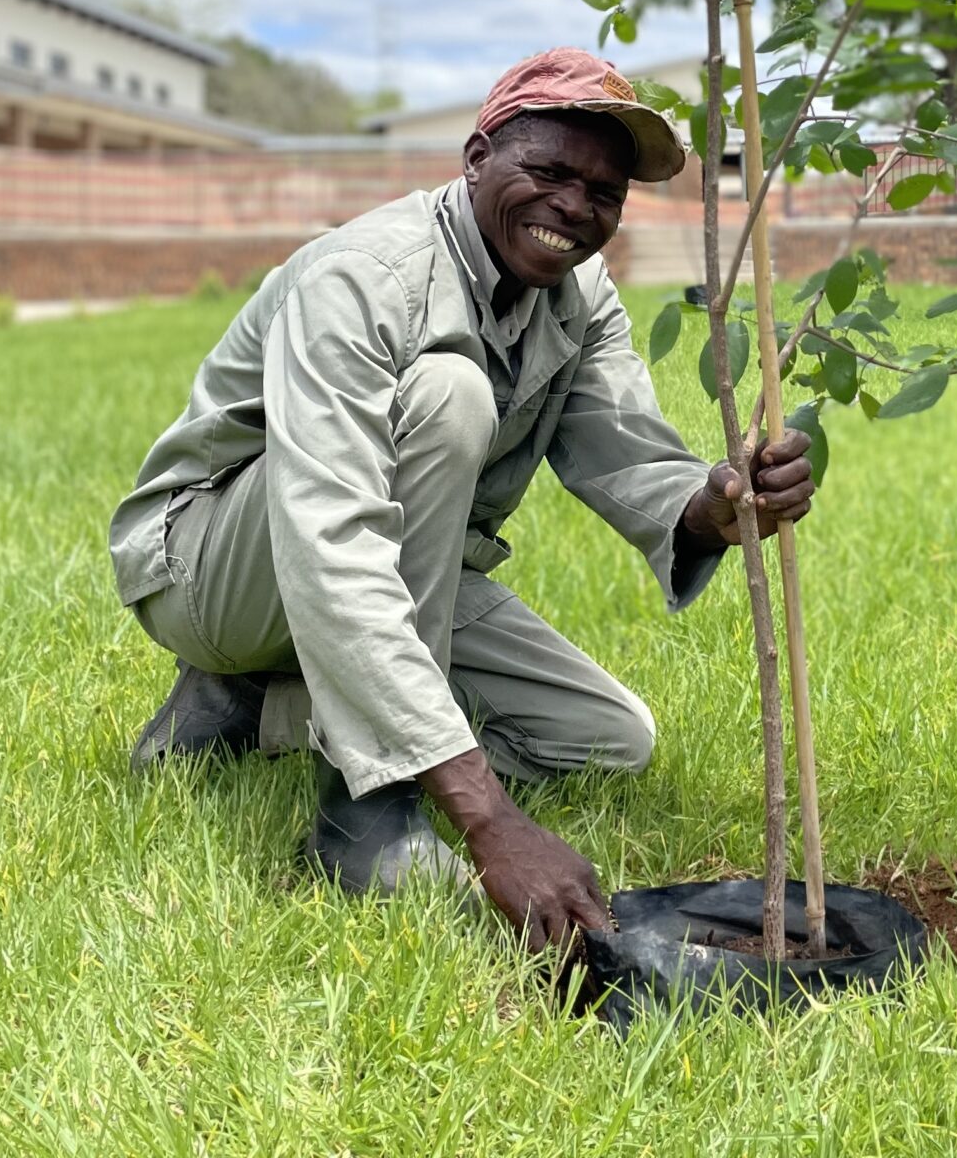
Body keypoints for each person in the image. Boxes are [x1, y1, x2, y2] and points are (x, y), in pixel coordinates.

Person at [107, 48, 813, 947]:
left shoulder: (580, 293)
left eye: (603, 192)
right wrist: (489, 821)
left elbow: (627, 455)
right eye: (549, 171)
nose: (575, 207)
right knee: (450, 394)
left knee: (605, 739)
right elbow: (333, 538)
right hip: (216, 570)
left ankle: (252, 708)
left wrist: (723, 503)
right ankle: (361, 816)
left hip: (388, 561)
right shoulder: (363, 277)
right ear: (478, 158)